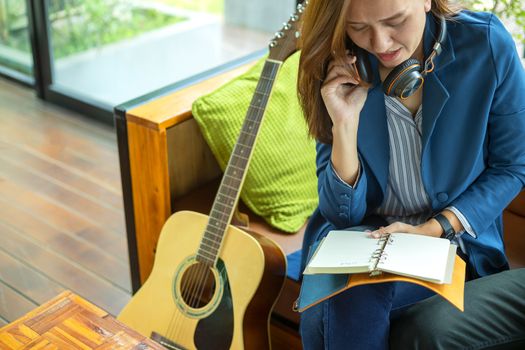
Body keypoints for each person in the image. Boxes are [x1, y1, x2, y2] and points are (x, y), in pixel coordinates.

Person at [296, 0, 525, 348]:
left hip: (453, 240)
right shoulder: (338, 62)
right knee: (336, 305)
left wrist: (432, 229)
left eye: (395, 21)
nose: (381, 43)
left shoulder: (484, 45)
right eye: (359, 28)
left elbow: (513, 166)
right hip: (363, 237)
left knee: (334, 311)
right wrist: (344, 124)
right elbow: (340, 214)